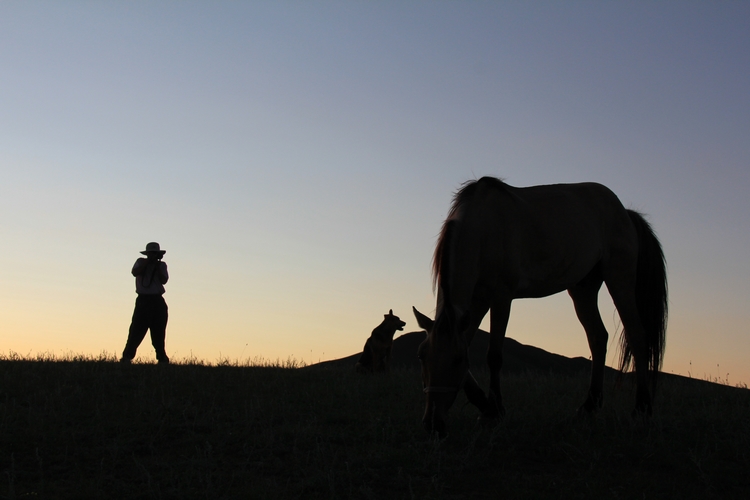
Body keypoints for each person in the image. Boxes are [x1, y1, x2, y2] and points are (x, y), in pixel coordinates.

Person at [121, 242, 170, 364]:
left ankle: (162, 358)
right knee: (136, 330)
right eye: (150, 254)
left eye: (154, 254)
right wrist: (148, 262)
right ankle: (127, 357)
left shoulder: (162, 265)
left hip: (157, 300)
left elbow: (164, 280)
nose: (152, 256)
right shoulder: (140, 262)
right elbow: (135, 272)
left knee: (158, 332)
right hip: (143, 299)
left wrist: (157, 265)